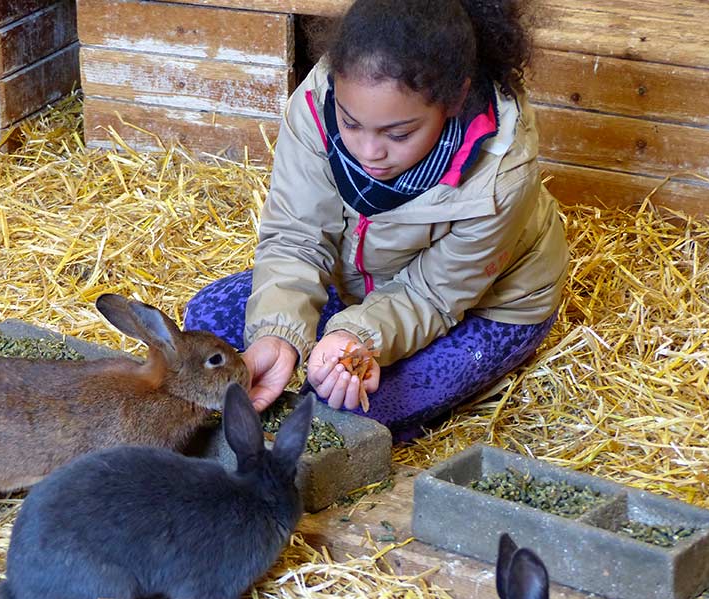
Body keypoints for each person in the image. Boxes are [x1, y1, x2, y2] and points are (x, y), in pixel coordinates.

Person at [184, 0, 568, 442]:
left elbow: (431, 296)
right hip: (357, 283)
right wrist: (280, 333)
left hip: (479, 307)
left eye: (398, 134)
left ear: (455, 98)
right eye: (351, 124)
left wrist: (356, 339)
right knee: (207, 325)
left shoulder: (499, 177)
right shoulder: (315, 104)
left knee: (337, 408)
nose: (369, 153)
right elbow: (296, 237)